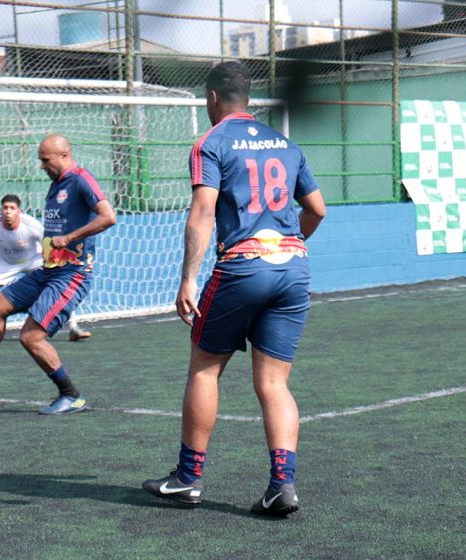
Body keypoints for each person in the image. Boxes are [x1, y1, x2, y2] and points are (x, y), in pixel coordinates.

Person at [141, 61, 326, 516]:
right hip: (293, 269)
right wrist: (288, 242)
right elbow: (317, 210)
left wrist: (187, 277)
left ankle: (187, 479)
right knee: (274, 384)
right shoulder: (285, 143)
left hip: (242, 267)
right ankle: (283, 486)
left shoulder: (211, 142)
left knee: (205, 370)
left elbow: (203, 212)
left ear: (212, 98)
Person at [0, 134, 116, 414]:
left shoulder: (82, 179)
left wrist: (70, 237)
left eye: (45, 160)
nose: (42, 165)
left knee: (30, 337)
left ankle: (71, 395)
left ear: (64, 155)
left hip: (72, 274)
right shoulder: (55, 185)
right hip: (48, 271)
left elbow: (108, 216)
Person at [0, 194, 92, 345]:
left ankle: (73, 328)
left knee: (57, 287)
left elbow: (47, 241)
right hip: (5, 263)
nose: (8, 212)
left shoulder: (30, 225)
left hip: (33, 261)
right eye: (5, 208)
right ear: (1, 210)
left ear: (19, 211)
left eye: (12, 208)